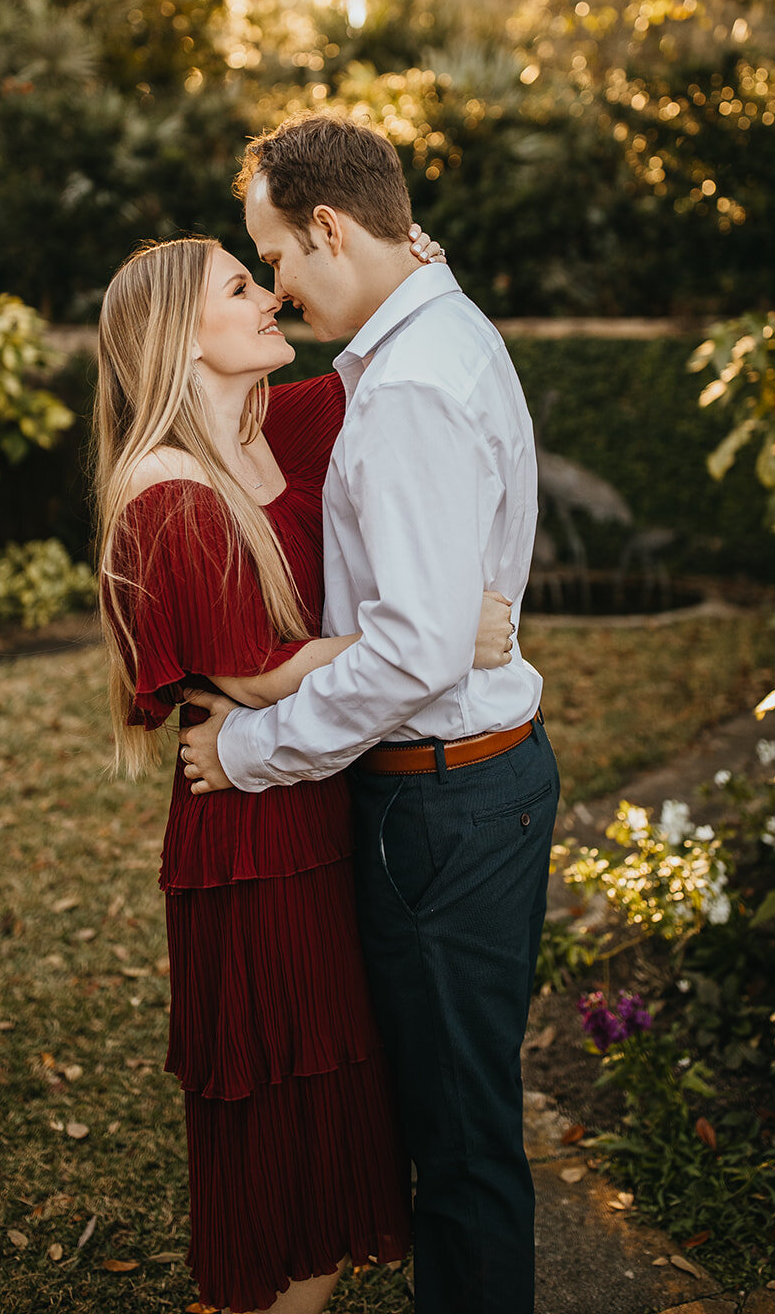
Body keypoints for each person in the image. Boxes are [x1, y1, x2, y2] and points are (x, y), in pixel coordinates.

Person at [180, 113, 561, 1314]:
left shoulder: (405, 388)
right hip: (466, 786)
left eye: (276, 255)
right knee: (455, 1133)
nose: (278, 291)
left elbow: (405, 655)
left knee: (456, 1152)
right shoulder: (436, 331)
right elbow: (428, 621)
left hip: (440, 804)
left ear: (330, 227)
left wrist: (244, 749)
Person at [94, 232, 513, 1314]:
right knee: (280, 1134)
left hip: (320, 796)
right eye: (242, 284)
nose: (271, 291)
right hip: (249, 834)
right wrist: (440, 633)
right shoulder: (167, 494)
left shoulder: (278, 423)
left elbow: (379, 366)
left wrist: (407, 262)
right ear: (180, 335)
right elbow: (256, 672)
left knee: (332, 1123)